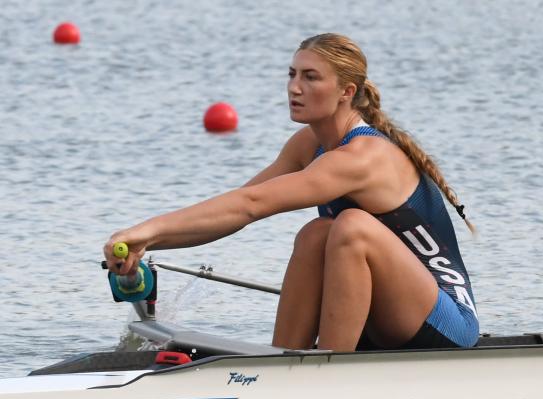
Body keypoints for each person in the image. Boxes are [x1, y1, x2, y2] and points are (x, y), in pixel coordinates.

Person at [103, 33, 479, 351]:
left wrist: (145, 230)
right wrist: (146, 243)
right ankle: (283, 361)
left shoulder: (364, 157)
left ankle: (326, 373)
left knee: (351, 227)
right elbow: (235, 209)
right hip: (380, 311)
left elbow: (252, 205)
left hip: (442, 321)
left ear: (347, 91)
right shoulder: (307, 144)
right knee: (317, 233)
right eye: (292, 74)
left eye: (311, 77)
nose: (294, 87)